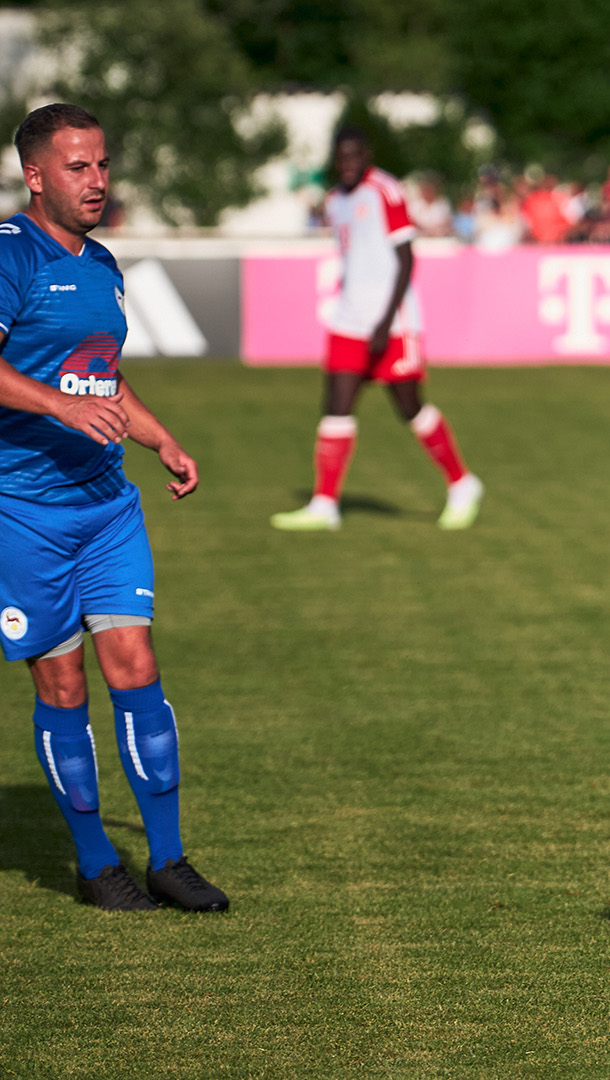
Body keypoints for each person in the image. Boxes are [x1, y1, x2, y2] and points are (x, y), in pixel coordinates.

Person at [0, 104, 228, 911]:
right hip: (22, 512)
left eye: (101, 165)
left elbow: (100, 374)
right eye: (77, 167)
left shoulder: (103, 266)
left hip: (106, 507)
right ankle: (97, 866)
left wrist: (159, 437)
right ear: (35, 175)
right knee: (62, 688)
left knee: (137, 667)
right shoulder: (10, 257)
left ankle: (167, 858)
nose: (96, 181)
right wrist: (59, 408)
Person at [271, 127, 482, 532]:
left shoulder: (386, 191)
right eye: (342, 157)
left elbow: (406, 258)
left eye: (355, 156)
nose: (348, 163)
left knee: (409, 406)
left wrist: (385, 321)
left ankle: (462, 483)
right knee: (335, 407)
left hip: (392, 322)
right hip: (348, 320)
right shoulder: (335, 200)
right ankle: (325, 504)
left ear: (366, 154)